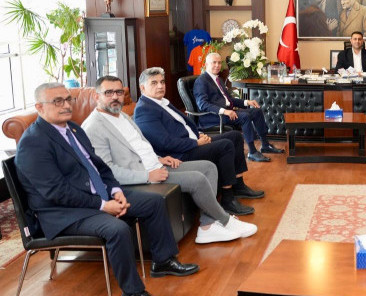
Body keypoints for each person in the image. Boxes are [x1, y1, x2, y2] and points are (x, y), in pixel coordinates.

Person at [15, 82, 199, 296]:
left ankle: (162, 261)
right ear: (39, 107)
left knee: (153, 202)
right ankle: (132, 295)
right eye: (57, 101)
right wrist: (103, 205)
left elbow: (100, 167)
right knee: (117, 229)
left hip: (95, 196)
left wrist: (115, 190)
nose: (66, 105)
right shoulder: (33, 143)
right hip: (63, 212)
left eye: (68, 99)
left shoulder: (73, 129)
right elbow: (56, 192)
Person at [83, 76, 257, 244]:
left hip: (157, 164)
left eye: (119, 92)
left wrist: (160, 158)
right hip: (142, 177)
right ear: (97, 96)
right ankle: (225, 220)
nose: (115, 97)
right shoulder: (93, 127)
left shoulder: (122, 116)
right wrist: (147, 176)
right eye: (109, 93)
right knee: (197, 179)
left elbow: (141, 146)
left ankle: (207, 225)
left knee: (208, 167)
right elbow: (107, 171)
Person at [133, 67, 262, 217]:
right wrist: (196, 143)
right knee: (225, 146)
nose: (160, 86)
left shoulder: (161, 102)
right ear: (143, 88)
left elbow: (184, 124)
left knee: (235, 136)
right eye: (154, 83)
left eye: (162, 82)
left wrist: (198, 134)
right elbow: (164, 143)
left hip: (192, 141)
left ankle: (239, 186)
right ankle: (227, 200)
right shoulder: (144, 110)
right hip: (179, 153)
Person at [194, 52, 284, 161]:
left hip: (226, 112)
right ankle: (252, 152)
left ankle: (265, 145)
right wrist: (224, 111)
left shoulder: (218, 79)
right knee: (244, 117)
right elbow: (202, 104)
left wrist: (247, 102)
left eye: (219, 63)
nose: (217, 65)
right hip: (213, 117)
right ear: (206, 64)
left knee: (256, 111)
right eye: (214, 62)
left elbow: (229, 100)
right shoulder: (201, 81)